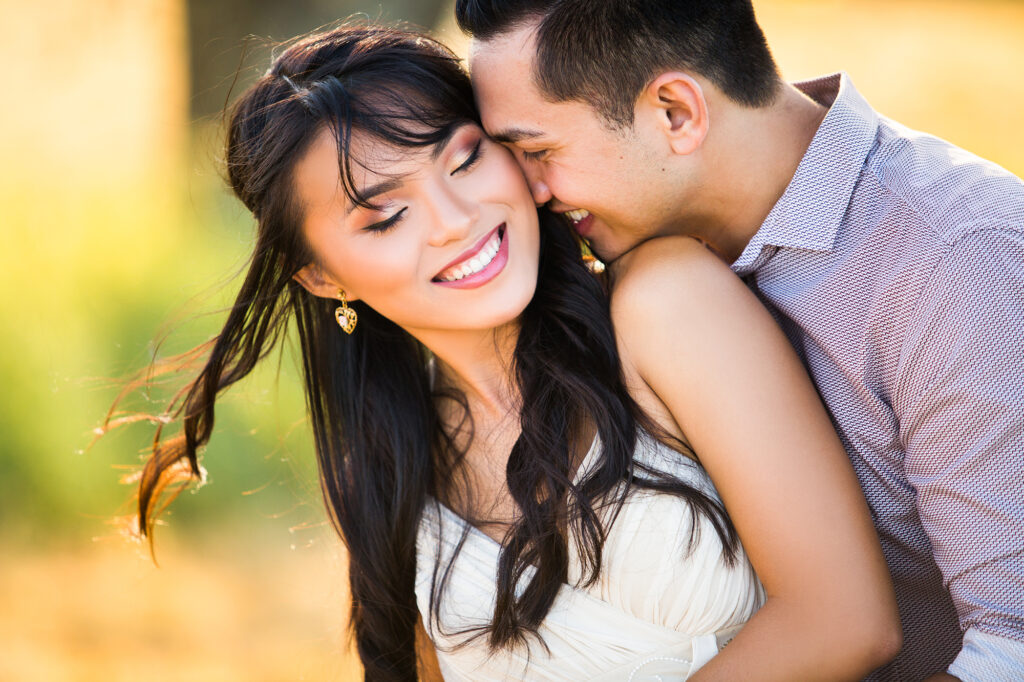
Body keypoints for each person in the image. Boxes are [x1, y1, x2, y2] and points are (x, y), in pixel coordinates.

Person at [115, 24, 899, 681]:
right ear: (320, 276)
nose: (456, 219)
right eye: (385, 217)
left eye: (463, 158)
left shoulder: (667, 307)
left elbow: (846, 619)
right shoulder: (385, 465)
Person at [455, 1, 1024, 680]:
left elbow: (1012, 650)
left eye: (539, 151)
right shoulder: (629, 264)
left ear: (676, 112)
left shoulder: (954, 257)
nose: (529, 190)